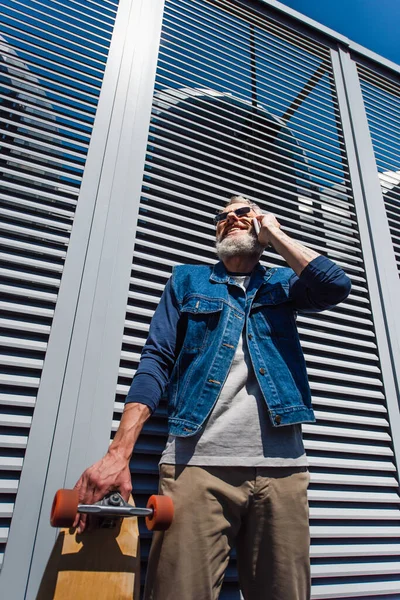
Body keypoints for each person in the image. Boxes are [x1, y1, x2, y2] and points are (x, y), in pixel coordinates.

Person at [74, 195, 351, 600]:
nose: (232, 219)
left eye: (244, 212)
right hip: (195, 467)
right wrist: (119, 453)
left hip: (282, 470)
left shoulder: (283, 283)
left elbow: (335, 286)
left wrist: (273, 232)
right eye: (223, 216)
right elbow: (156, 361)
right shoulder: (187, 281)